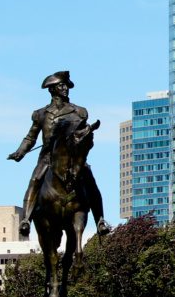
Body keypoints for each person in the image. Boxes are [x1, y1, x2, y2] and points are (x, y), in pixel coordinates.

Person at [8, 71, 112, 237]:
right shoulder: (40, 114)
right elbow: (31, 137)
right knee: (35, 180)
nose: (65, 88)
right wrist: (20, 152)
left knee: (90, 181)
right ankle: (26, 219)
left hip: (74, 157)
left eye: (66, 85)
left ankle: (100, 221)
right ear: (52, 89)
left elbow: (82, 135)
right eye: (61, 85)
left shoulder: (79, 112)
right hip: (48, 157)